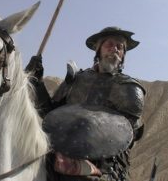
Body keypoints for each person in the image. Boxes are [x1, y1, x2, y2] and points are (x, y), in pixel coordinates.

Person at [26, 26, 146, 181]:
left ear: (123, 55)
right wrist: (38, 82)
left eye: (120, 47)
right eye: (110, 44)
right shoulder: (76, 79)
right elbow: (50, 114)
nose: (115, 49)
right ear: (99, 49)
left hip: (105, 163)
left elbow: (127, 137)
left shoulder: (128, 88)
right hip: (62, 151)